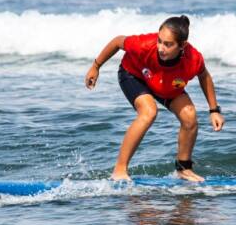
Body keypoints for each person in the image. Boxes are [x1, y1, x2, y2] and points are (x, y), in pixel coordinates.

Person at [85, 15, 224, 182]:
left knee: (189, 116)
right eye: (160, 41)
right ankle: (119, 170)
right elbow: (117, 42)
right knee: (149, 112)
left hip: (165, 84)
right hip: (134, 75)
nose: (161, 48)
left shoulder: (193, 58)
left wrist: (214, 110)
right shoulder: (143, 44)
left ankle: (183, 169)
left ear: (182, 46)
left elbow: (204, 76)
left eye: (168, 44)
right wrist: (96, 66)